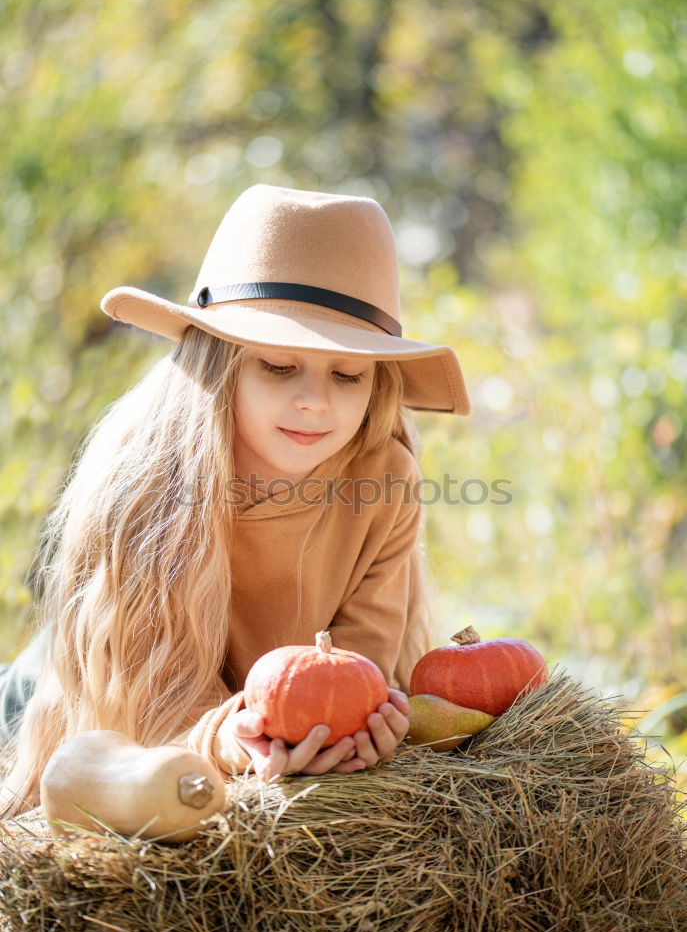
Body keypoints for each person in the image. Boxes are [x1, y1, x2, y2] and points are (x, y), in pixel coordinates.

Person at [0, 183, 470, 819]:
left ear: (377, 380)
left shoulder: (384, 480)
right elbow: (142, 695)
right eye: (279, 367)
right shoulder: (148, 481)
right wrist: (231, 740)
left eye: (347, 374)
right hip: (77, 700)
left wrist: (349, 727)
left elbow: (361, 655)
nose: (315, 401)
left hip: (255, 728)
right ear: (220, 364)